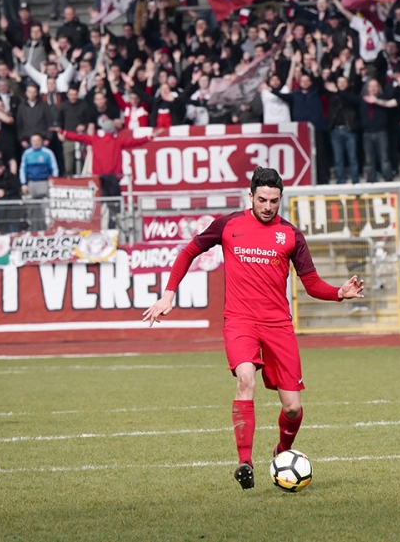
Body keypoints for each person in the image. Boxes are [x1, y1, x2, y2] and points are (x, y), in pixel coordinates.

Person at [142, 167, 365, 490]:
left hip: (278, 325)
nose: (268, 206)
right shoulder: (229, 225)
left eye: (274, 201)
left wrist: (338, 293)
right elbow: (190, 250)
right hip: (240, 321)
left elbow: (311, 283)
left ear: (280, 199)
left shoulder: (290, 235)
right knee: (245, 379)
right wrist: (168, 293)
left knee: (293, 408)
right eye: (262, 200)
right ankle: (244, 463)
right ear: (251, 196)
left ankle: (282, 451)